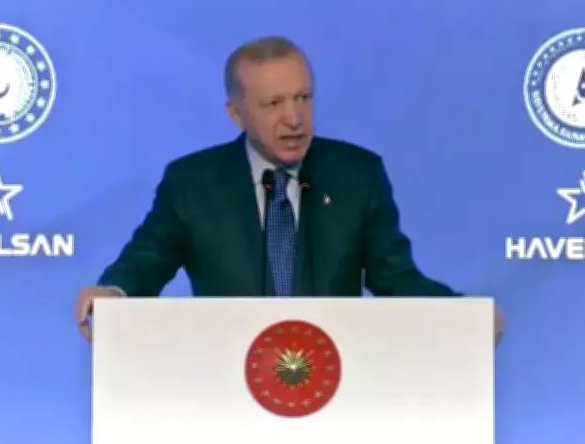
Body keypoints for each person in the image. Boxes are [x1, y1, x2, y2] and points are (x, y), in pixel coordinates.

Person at [75, 36, 504, 343]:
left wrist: (462, 314)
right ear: (236, 113)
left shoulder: (357, 174)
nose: (295, 119)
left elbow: (394, 277)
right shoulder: (192, 183)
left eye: (303, 98)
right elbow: (147, 260)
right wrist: (112, 293)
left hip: (335, 381)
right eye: (274, 104)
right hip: (225, 379)